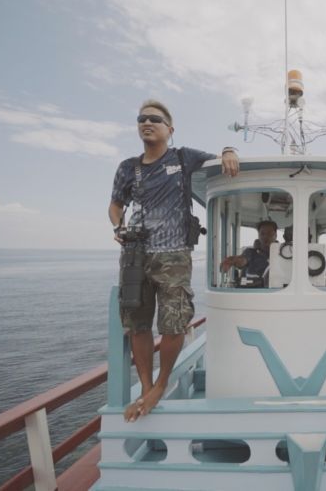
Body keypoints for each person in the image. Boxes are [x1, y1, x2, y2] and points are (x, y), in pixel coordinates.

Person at [109, 99, 240, 422]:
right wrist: (119, 226)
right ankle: (146, 385)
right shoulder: (128, 168)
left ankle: (161, 382)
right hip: (135, 256)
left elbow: (219, 158)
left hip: (173, 255)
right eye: (141, 119)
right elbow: (115, 205)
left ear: (170, 129)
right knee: (137, 325)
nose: (146, 123)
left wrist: (228, 149)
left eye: (155, 119)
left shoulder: (182, 158)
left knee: (175, 323)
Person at [219, 219, 278, 285]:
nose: (265, 236)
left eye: (269, 233)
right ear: (259, 235)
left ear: (276, 235)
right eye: (262, 233)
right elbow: (242, 260)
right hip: (251, 293)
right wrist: (231, 260)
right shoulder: (250, 253)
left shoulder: (283, 254)